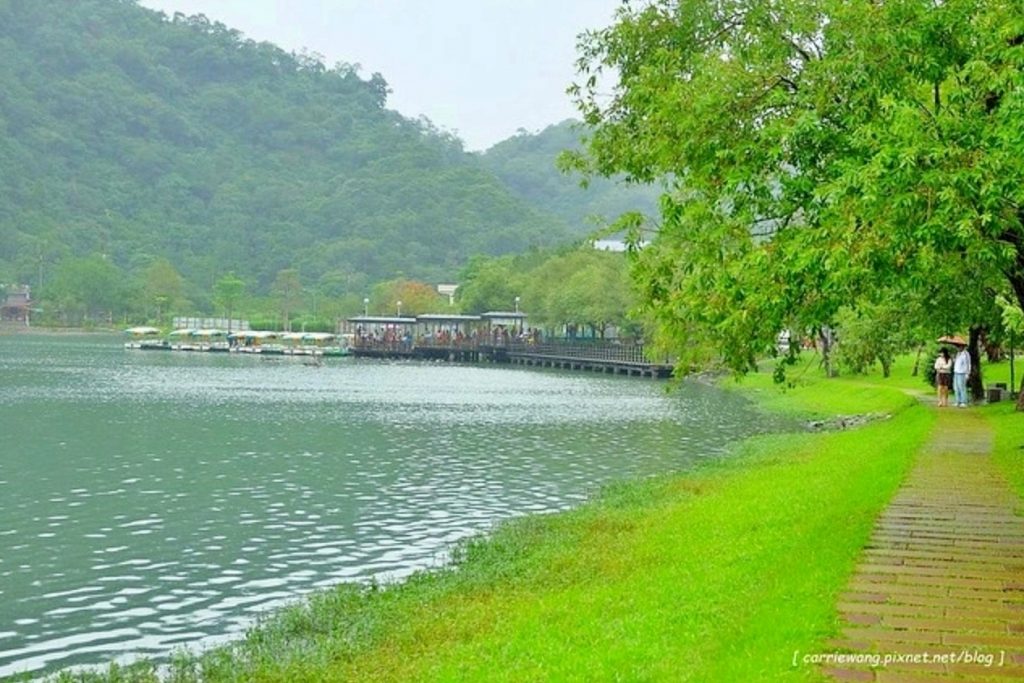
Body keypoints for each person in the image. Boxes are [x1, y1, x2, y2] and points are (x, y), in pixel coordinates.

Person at [953, 343, 971, 407]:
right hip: (956, 372)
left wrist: (967, 373)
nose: (958, 348)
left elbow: (968, 364)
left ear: (962, 347)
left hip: (962, 373)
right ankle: (958, 401)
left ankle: (964, 401)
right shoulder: (958, 354)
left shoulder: (966, 354)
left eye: (959, 347)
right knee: (956, 387)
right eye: (957, 347)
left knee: (962, 387)